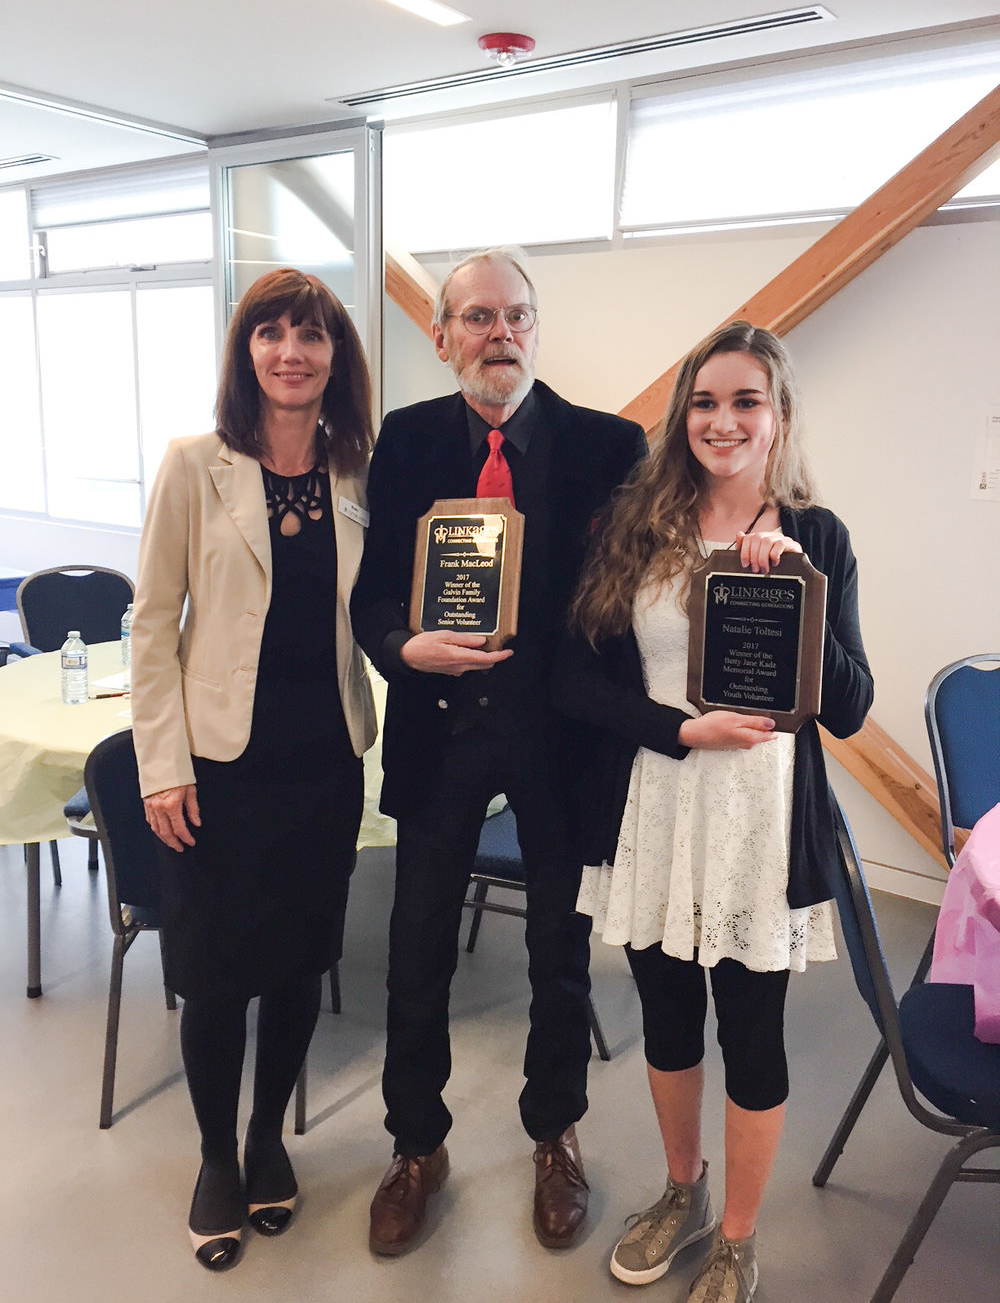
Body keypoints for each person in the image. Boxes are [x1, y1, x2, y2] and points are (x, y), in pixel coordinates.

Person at [553, 321, 873, 1301]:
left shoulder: (815, 535)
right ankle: (679, 1189)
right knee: (665, 1017)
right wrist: (675, 729)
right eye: (704, 400)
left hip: (758, 825)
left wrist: (800, 594)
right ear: (681, 413)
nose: (722, 420)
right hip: (658, 801)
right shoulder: (632, 527)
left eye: (745, 401)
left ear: (777, 418)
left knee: (754, 1030)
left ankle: (736, 1234)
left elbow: (851, 707)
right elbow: (573, 680)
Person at [351, 247, 647, 1256]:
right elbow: (371, 593)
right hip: (441, 731)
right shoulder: (404, 440)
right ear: (441, 339)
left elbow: (655, 581)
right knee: (416, 953)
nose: (500, 333)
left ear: (535, 327)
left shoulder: (610, 446)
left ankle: (554, 1133)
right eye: (476, 317)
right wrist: (401, 646)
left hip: (558, 737)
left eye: (516, 315)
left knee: (558, 956)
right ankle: (414, 1146)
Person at [131, 268, 376, 1272]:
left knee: (294, 966)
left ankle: (269, 1133)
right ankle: (213, 1158)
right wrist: (161, 764)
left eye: (310, 335)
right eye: (270, 333)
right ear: (246, 353)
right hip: (218, 774)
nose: (290, 352)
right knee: (215, 975)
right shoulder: (197, 464)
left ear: (335, 356)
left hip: (323, 763)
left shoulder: (359, 470)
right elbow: (151, 625)